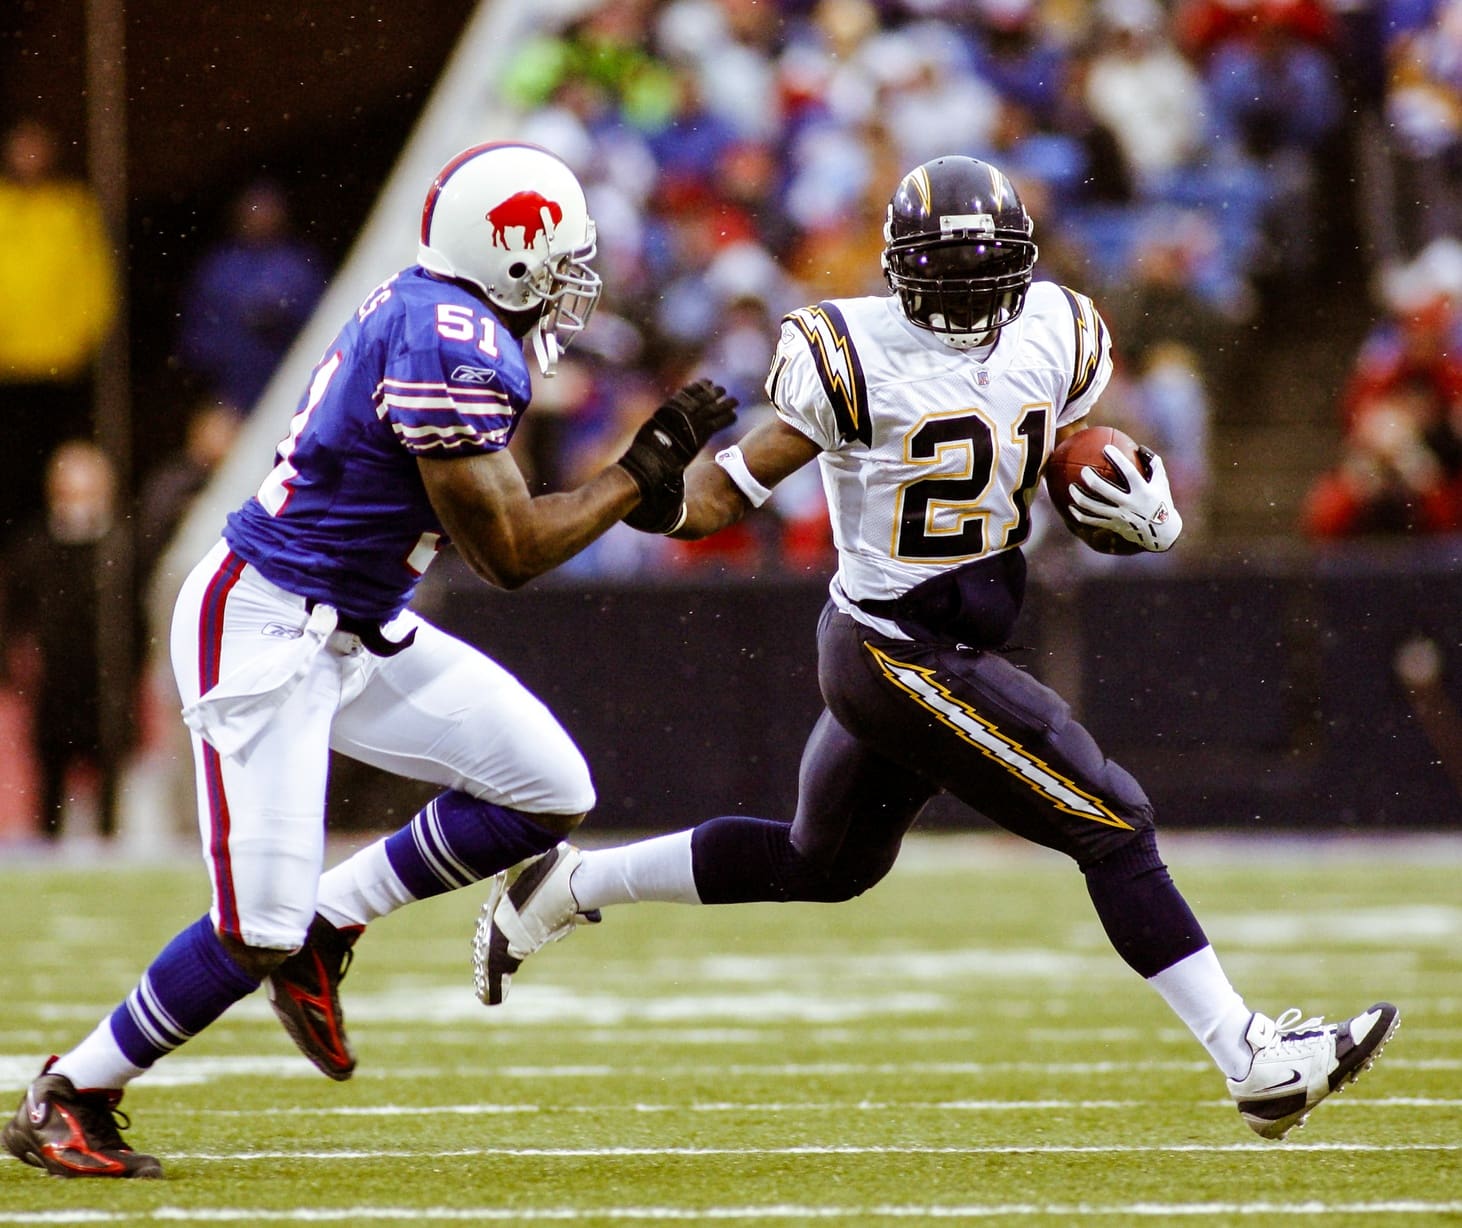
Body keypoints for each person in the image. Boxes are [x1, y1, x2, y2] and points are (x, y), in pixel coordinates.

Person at [474, 155, 1400, 1142]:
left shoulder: (1056, 331)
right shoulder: (851, 354)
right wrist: (651, 490)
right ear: (896, 270)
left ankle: (561, 886)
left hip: (928, 642)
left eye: (981, 270)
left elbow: (1057, 447)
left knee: (819, 862)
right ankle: (1249, 1057)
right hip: (893, 648)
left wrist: (1142, 503)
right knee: (1111, 818)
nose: (963, 294)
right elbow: (720, 498)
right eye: (943, 272)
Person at [2, 141, 736, 1179]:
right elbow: (510, 551)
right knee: (253, 924)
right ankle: (71, 1090)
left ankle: (330, 923)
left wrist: (632, 481)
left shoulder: (449, 312)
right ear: (509, 258)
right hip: (264, 625)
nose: (575, 285)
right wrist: (634, 474)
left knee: (546, 788)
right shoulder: (454, 343)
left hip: (353, 617)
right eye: (560, 261)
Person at [0, 441, 128, 840]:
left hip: (106, 690)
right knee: (50, 794)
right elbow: (11, 614)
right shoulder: (34, 547)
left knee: (109, 795)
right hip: (54, 690)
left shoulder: (120, 547)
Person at [0, 119, 119, 533]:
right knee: (13, 466)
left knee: (60, 459)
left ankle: (59, 545)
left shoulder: (72, 207)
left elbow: (95, 279)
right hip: (10, 365)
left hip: (62, 363)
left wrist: (85, 334)